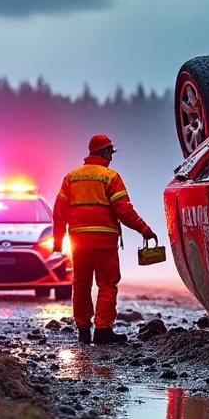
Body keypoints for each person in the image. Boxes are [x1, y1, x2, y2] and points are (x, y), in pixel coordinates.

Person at [53, 134, 156, 344]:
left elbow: (59, 212)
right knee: (107, 284)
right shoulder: (110, 177)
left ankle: (83, 330)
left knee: (81, 284)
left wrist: (57, 241)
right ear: (105, 152)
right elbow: (124, 211)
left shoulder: (71, 177)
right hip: (104, 244)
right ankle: (102, 330)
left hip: (79, 243)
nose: (112, 157)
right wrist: (145, 230)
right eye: (111, 152)